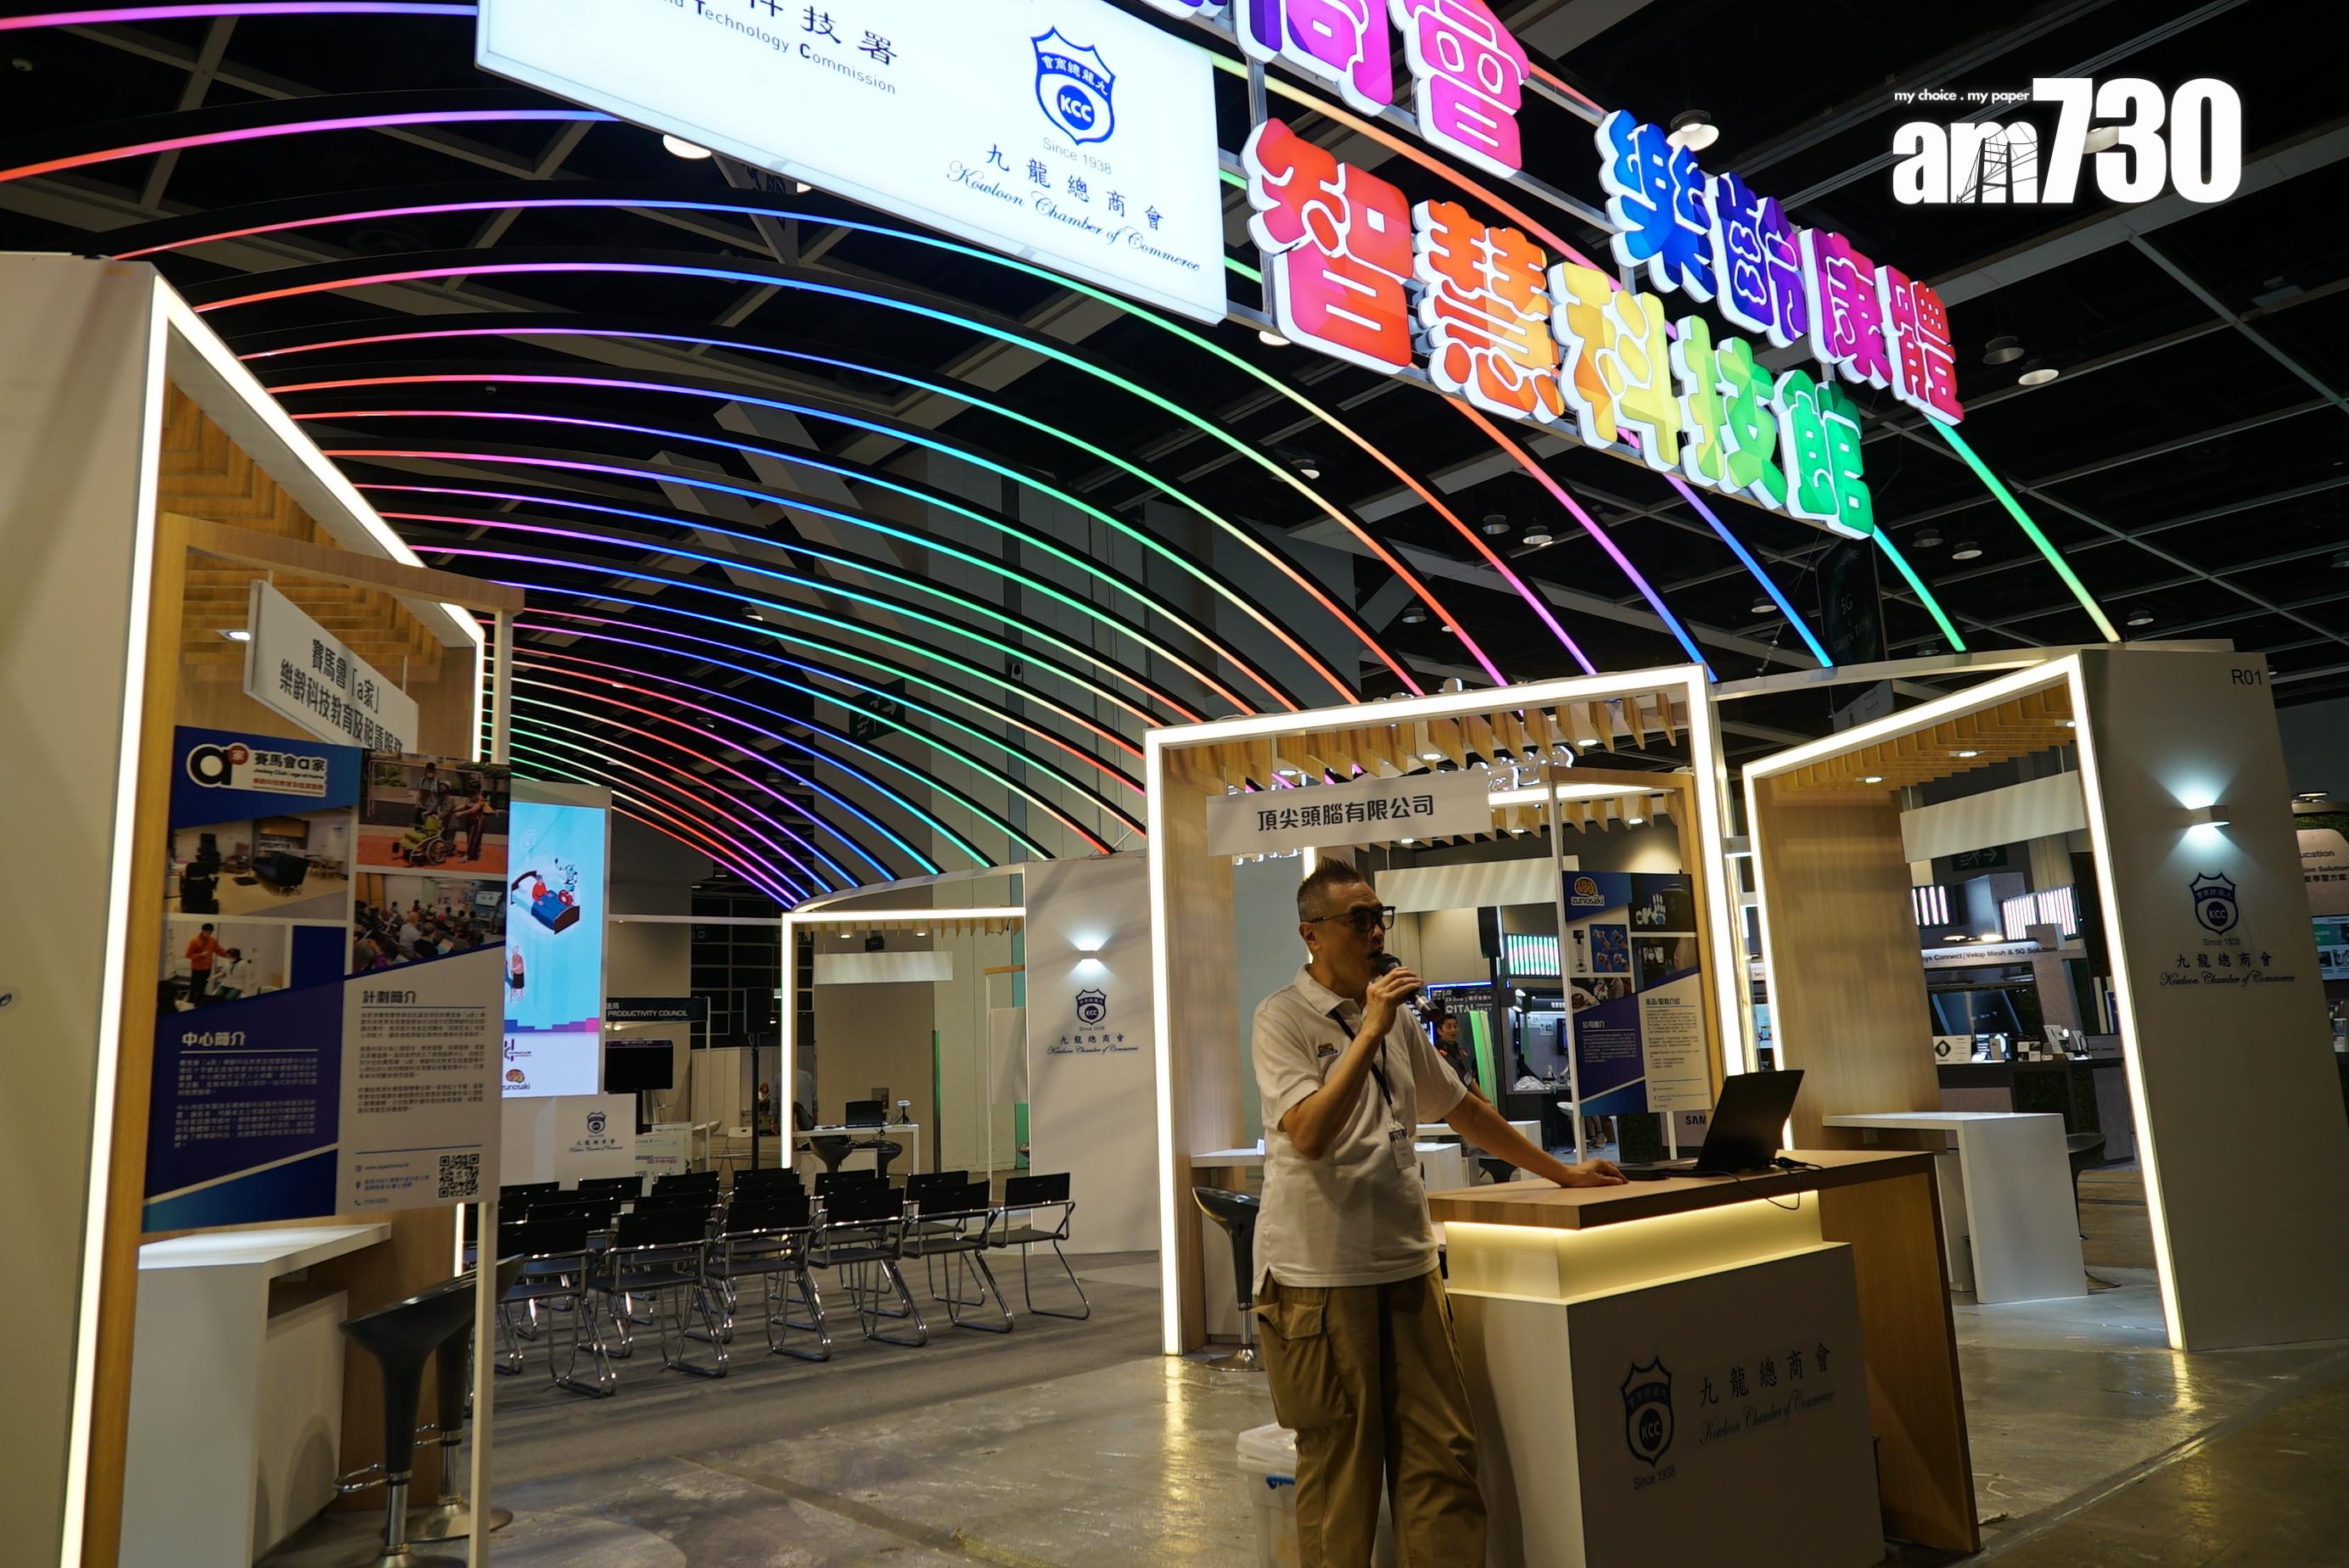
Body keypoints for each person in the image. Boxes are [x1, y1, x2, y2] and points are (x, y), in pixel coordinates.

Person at [1253, 860, 1623, 1567]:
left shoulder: (1393, 1022)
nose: (1375, 932)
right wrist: (1368, 1030)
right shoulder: (1283, 1018)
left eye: (1378, 916)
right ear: (1312, 935)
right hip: (1320, 1278)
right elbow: (1309, 1134)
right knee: (1340, 1474)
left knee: (1442, 1460)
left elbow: (1461, 1109)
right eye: (1358, 920)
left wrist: (1560, 1172)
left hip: (1408, 1263)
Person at [1429, 1011, 1486, 1100]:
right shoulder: (1435, 1052)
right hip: (1446, 1099)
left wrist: (1485, 1100)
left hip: (1464, 1097)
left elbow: (1468, 1079)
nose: (1453, 1030)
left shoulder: (1460, 1053)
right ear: (1440, 1031)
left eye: (1455, 1026)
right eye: (1448, 1027)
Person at [185, 922, 222, 1005]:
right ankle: (191, 1002)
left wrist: (228, 955)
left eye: (210, 933)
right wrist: (200, 955)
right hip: (197, 969)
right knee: (194, 987)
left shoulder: (212, 941)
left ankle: (199, 1002)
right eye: (207, 933)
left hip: (207, 969)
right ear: (203, 931)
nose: (209, 935)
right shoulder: (195, 941)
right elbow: (188, 955)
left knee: (203, 987)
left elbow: (219, 950)